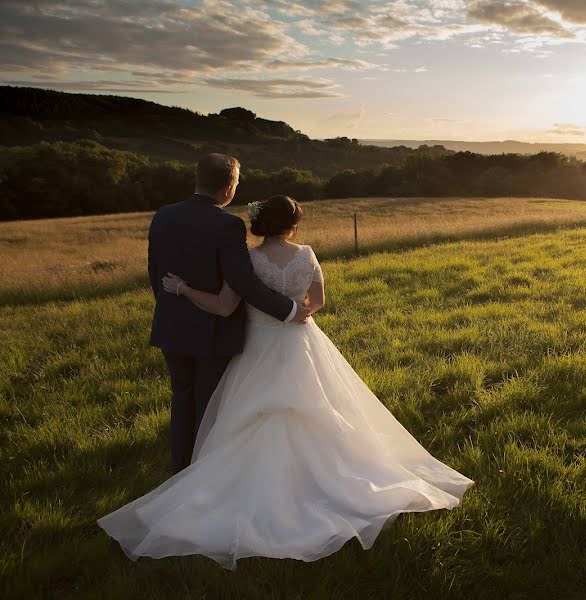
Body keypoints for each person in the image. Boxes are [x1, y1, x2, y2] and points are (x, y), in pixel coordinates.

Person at [98, 195, 474, 569]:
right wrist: (298, 313)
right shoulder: (307, 254)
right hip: (301, 341)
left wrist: (181, 289)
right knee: (322, 407)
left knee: (247, 412)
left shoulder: (248, 261)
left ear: (259, 223)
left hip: (258, 347)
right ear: (294, 223)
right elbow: (317, 301)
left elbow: (221, 307)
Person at [146, 153, 309, 473]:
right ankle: (205, 470)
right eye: (236, 183)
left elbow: (155, 271)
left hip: (172, 324)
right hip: (213, 328)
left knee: (182, 394)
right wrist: (289, 309)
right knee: (209, 401)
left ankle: (180, 464)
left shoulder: (163, 215)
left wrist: (173, 306)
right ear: (227, 188)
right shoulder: (227, 224)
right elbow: (242, 281)